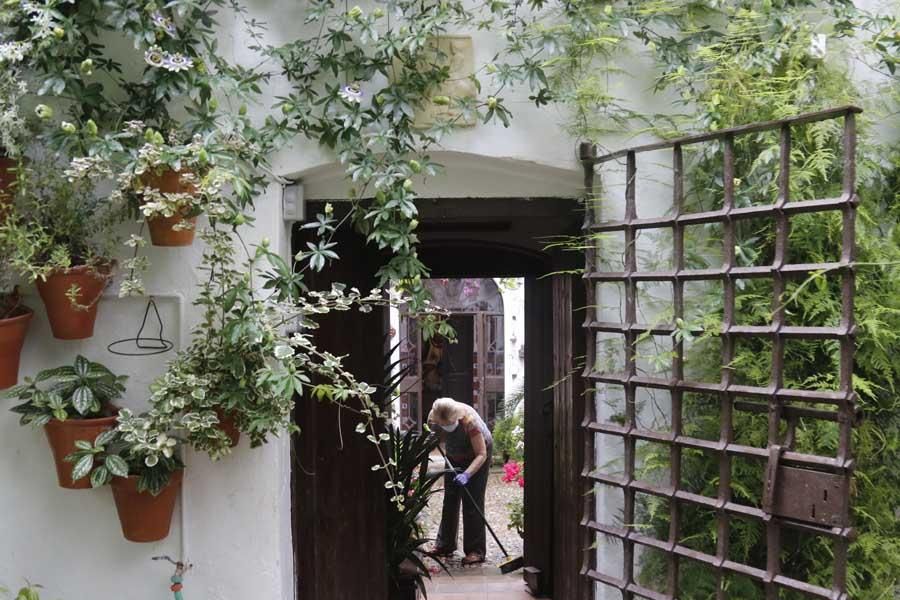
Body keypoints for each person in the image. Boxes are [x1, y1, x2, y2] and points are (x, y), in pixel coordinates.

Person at [427, 397, 493, 565]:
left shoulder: (471, 423)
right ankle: (445, 544)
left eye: (448, 423)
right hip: (454, 455)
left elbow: (481, 454)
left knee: (473, 502)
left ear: (456, 418)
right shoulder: (435, 415)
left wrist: (467, 474)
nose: (445, 426)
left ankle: (475, 550)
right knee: (450, 499)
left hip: (476, 455)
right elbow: (431, 433)